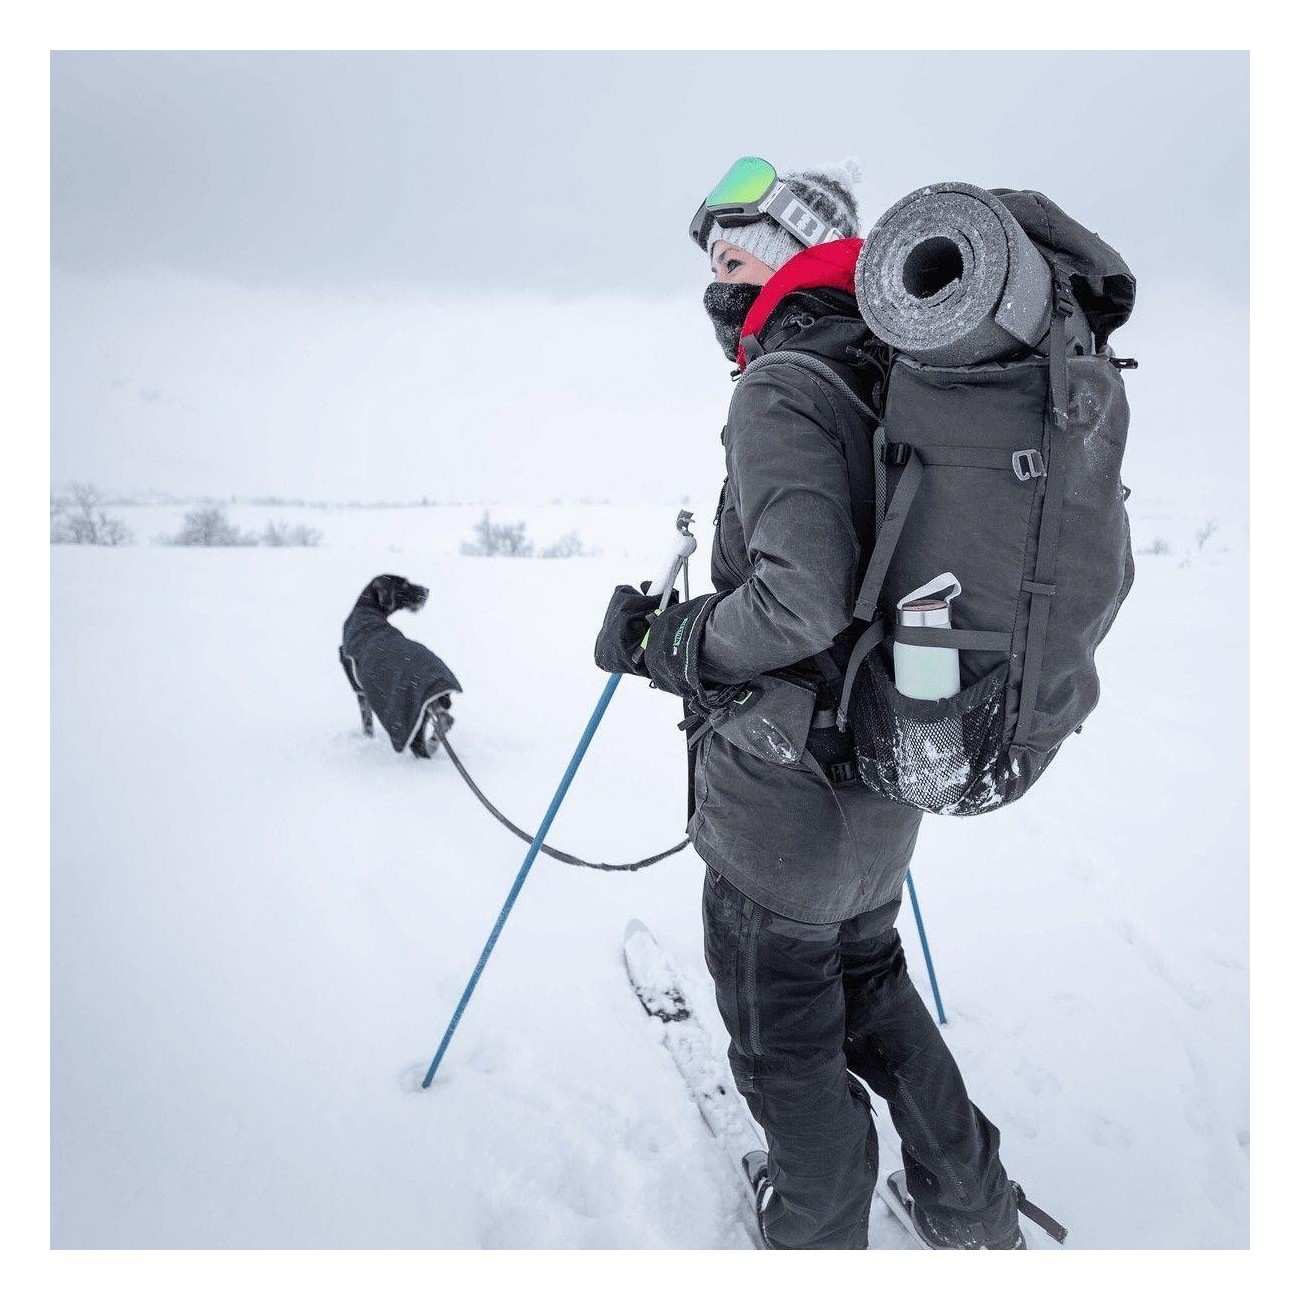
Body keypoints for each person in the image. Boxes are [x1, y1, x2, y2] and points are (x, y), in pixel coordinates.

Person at [595, 157, 1023, 1250]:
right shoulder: (892, 379)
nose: (712, 277)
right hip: (886, 775)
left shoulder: (781, 385)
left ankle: (816, 1233)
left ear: (791, 254)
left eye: (733, 254)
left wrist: (669, 640)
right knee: (872, 985)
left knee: (785, 1044)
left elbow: (798, 601)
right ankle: (970, 1204)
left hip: (780, 813)